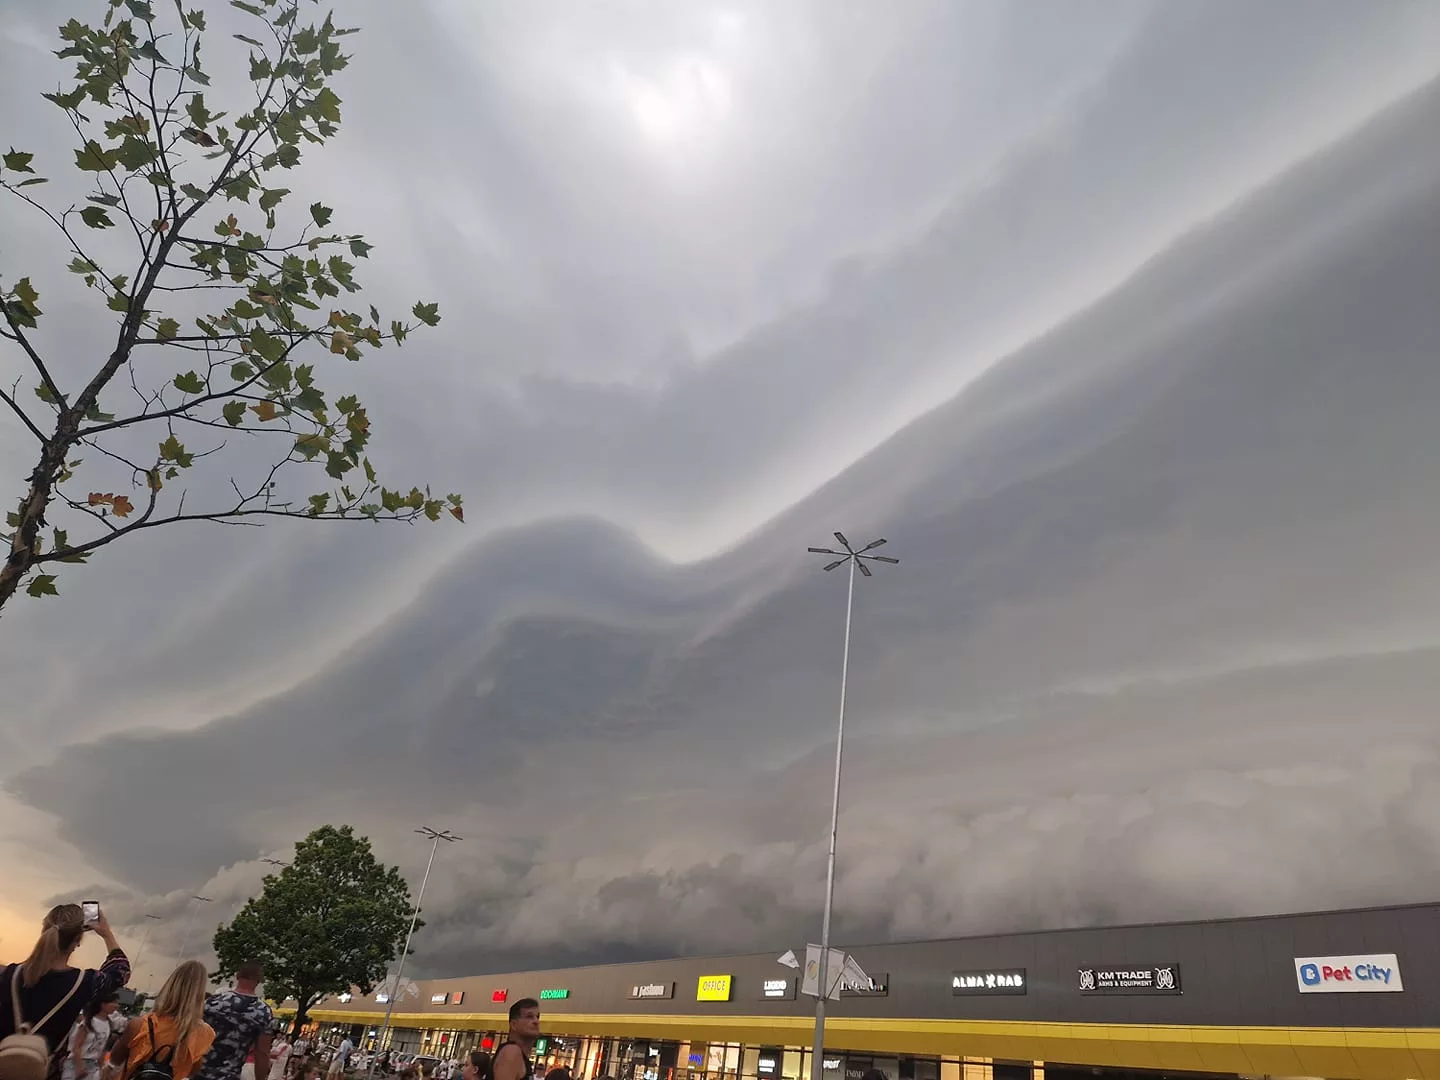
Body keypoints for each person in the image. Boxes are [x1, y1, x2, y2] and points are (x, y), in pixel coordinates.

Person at [0, 904, 130, 1080]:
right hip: (44, 1072)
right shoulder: (84, 983)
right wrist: (106, 932)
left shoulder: (8, 975)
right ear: (77, 941)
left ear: (43, 931)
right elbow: (120, 970)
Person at [108, 961, 215, 1080]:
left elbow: (115, 1060)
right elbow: (192, 1070)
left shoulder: (140, 1025)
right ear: (200, 994)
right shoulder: (205, 1033)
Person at [193, 963, 272, 1080]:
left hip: (199, 1071)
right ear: (258, 980)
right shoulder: (263, 1012)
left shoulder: (213, 1002)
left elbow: (194, 1035)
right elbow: (262, 1053)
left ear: (237, 976)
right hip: (229, 1075)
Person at [62, 992, 120, 1080]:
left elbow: (103, 1049)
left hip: (93, 1066)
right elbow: (76, 1046)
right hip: (75, 1063)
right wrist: (79, 1067)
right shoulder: (89, 1022)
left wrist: (102, 1069)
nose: (117, 1005)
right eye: (113, 1002)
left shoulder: (109, 1024)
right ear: (103, 1004)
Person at [492, 999, 538, 1080]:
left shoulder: (520, 1055)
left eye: (537, 1017)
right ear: (513, 1024)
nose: (536, 1021)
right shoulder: (511, 1051)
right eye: (529, 1016)